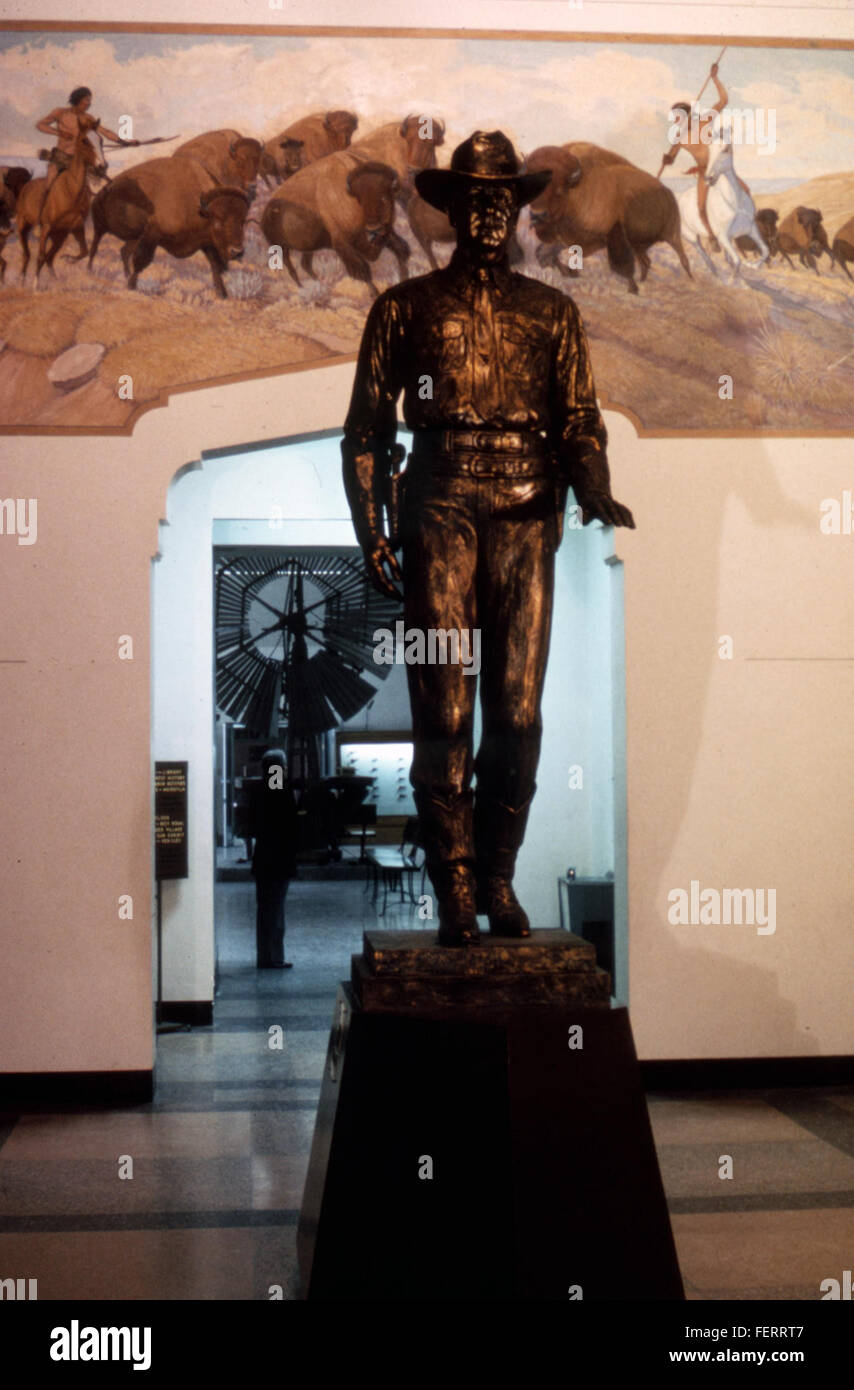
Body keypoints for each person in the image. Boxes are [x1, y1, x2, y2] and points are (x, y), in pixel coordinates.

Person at [341, 130, 634, 948]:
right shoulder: (404, 308)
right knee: (444, 711)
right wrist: (373, 529)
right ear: (454, 210)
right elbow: (366, 432)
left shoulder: (553, 313)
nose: (491, 214)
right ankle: (455, 889)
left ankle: (499, 878)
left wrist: (595, 485)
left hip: (525, 508)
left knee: (518, 712)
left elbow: (580, 419)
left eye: (504, 200)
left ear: (517, 209)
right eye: (476, 201)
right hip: (437, 504)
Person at [661, 63, 748, 247]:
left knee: (745, 192)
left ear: (687, 116)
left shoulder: (704, 121)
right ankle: (712, 236)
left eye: (677, 118)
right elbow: (671, 158)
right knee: (701, 208)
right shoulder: (679, 138)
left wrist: (715, 78)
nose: (675, 122)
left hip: (721, 168)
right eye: (674, 119)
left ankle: (744, 229)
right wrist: (667, 159)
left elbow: (724, 100)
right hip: (704, 173)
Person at [35, 86, 138, 218]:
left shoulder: (88, 118)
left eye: (90, 100)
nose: (89, 103)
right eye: (87, 100)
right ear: (78, 99)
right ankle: (41, 217)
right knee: (49, 184)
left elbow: (105, 132)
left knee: (99, 184)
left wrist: (124, 142)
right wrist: (59, 133)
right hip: (61, 157)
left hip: (82, 160)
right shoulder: (60, 113)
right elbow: (40, 125)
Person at [249, 749, 299, 968]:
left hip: (264, 859)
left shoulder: (262, 787)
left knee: (267, 909)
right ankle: (272, 958)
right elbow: (284, 815)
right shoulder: (276, 783)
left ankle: (267, 956)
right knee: (274, 909)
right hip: (277, 860)